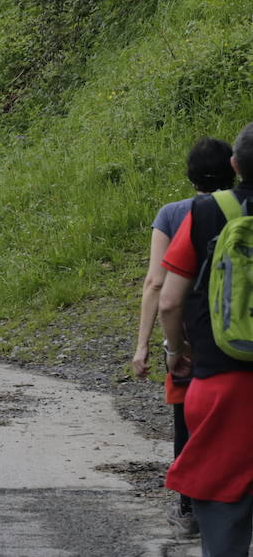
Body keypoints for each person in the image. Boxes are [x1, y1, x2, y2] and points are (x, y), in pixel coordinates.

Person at [159, 123, 253, 557]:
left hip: (219, 383)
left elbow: (169, 302)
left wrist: (176, 353)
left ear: (236, 165)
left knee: (222, 517)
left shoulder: (205, 213)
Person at [133, 137, 235, 536]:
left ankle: (189, 508)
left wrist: (145, 345)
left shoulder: (174, 214)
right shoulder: (241, 208)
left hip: (191, 339)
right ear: (232, 168)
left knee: (187, 424)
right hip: (240, 332)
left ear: (190, 176)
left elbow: (156, 284)